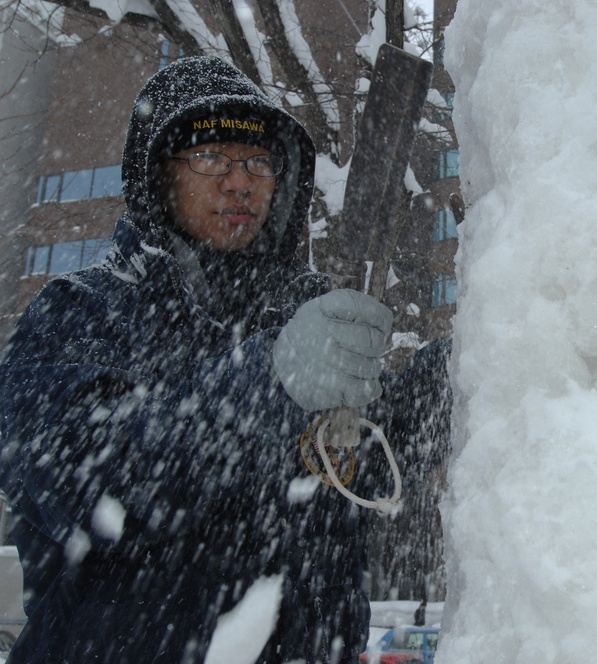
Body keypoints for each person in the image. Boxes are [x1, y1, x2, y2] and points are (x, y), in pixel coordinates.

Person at [0, 56, 450, 663]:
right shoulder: (78, 312)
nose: (240, 182)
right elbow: (83, 482)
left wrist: (470, 368)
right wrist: (269, 386)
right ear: (156, 176)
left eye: (258, 162)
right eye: (209, 157)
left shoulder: (307, 313)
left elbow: (369, 462)